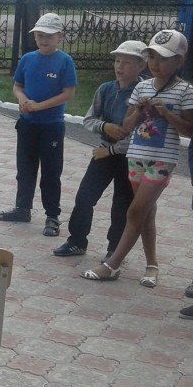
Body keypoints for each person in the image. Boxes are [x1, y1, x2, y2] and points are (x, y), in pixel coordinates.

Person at [82, 31, 192, 292]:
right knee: (146, 211)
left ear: (179, 61)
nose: (155, 63)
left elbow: (189, 130)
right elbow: (127, 126)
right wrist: (140, 110)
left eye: (163, 58)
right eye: (152, 57)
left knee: (134, 211)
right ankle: (152, 265)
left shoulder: (186, 91)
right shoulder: (142, 88)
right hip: (137, 156)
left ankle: (112, 264)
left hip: (162, 160)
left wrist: (167, 115)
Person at [53, 40, 145, 260]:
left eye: (127, 63)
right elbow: (89, 119)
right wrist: (105, 127)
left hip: (130, 157)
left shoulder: (144, 94)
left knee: (122, 203)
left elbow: (142, 133)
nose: (119, 67)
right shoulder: (106, 89)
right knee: (85, 196)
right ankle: (77, 241)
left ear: (141, 65)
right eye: (117, 61)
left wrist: (113, 150)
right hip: (104, 150)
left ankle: (115, 250)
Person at [0, 13, 76, 238]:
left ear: (60, 36)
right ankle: (23, 208)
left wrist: (39, 106)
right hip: (28, 123)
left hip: (51, 125)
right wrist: (23, 100)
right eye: (40, 35)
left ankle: (52, 215)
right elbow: (17, 86)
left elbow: (68, 93)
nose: (43, 39)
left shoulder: (65, 61)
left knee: (51, 171)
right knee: (25, 168)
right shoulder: (28, 59)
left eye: (49, 35)